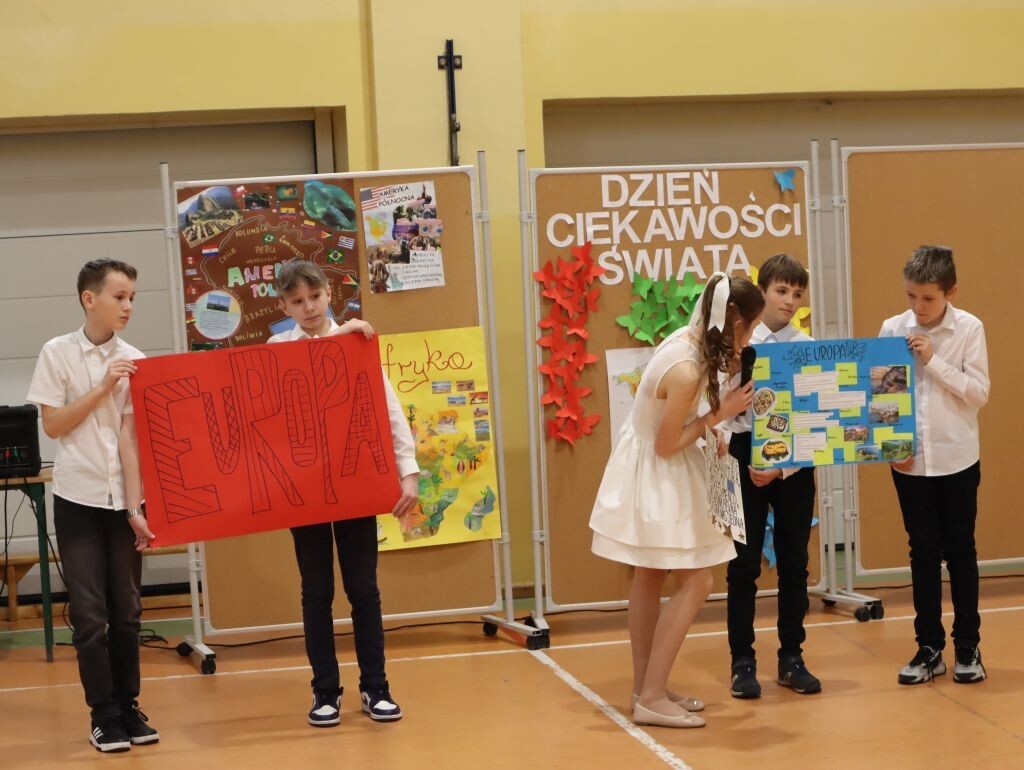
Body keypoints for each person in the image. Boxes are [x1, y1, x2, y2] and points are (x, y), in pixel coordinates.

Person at [589, 273, 762, 728]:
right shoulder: (686, 369)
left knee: (650, 575)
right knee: (698, 581)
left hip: (652, 467)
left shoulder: (690, 340)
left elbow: (673, 425)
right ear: (736, 323)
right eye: (749, 329)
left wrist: (709, 426)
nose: (749, 340)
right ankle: (650, 695)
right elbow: (667, 444)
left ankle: (646, 688)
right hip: (659, 472)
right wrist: (718, 415)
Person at [268, 260, 420, 726]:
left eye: (314, 297)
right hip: (306, 491)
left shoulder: (357, 341)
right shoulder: (277, 349)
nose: (309, 308)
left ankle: (376, 686)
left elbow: (389, 410)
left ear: (329, 294)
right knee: (316, 591)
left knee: (363, 588)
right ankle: (325, 691)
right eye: (297, 301)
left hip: (355, 482)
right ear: (284, 305)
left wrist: (408, 473)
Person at [27, 259, 159, 753]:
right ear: (90, 299)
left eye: (132, 298)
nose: (128, 307)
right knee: (88, 614)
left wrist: (135, 506)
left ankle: (128, 705)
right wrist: (103, 386)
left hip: (120, 502)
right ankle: (102, 714)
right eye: (119, 297)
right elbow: (54, 425)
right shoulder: (56, 352)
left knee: (127, 612)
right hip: (77, 499)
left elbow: (130, 439)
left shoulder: (135, 357)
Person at [879, 245, 989, 685]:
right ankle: (929, 647)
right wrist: (892, 446)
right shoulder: (892, 328)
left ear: (950, 292)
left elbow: (978, 393)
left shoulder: (969, 328)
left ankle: (968, 647)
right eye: (911, 296)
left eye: (928, 298)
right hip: (911, 463)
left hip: (957, 457)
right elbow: (882, 396)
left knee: (960, 551)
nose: (918, 306)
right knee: (921, 553)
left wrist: (933, 360)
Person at [723, 254, 821, 699]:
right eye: (781, 290)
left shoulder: (807, 346)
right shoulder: (740, 343)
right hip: (745, 454)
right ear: (761, 292)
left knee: (794, 562)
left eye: (797, 293)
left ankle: (791, 657)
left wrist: (783, 466)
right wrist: (742, 451)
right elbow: (721, 411)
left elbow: (816, 420)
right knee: (743, 565)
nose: (789, 300)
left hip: (794, 461)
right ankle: (742, 662)